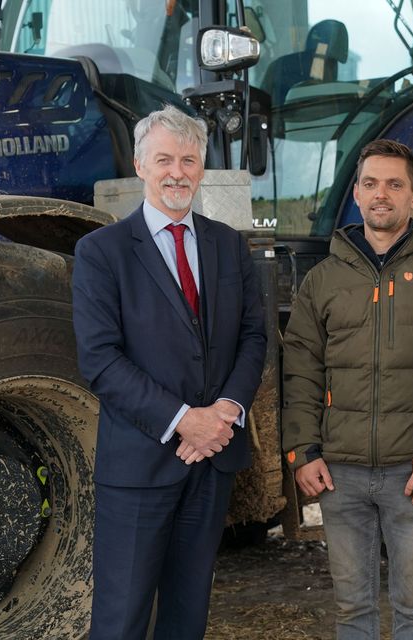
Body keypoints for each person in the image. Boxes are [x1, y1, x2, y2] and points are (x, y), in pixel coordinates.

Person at [72, 104, 267, 639]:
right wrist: (185, 420)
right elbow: (101, 360)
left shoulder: (229, 246)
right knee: (121, 620)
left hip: (211, 463)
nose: (176, 171)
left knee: (187, 619)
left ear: (201, 168)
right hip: (140, 466)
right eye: (163, 159)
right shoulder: (101, 253)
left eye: (188, 159)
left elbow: (253, 337)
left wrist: (225, 414)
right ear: (139, 166)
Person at [282, 138, 413, 639]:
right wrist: (302, 451)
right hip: (340, 475)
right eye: (371, 184)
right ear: (356, 194)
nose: (382, 194)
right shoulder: (324, 279)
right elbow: (301, 368)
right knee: (352, 610)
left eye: (395, 185)